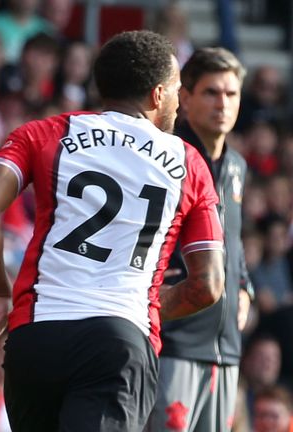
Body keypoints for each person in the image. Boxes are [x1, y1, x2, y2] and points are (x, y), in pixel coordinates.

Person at [0, 30, 226, 431]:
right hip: (118, 340)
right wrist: (148, 306)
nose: (179, 102)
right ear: (157, 95)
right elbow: (208, 286)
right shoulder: (189, 162)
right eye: (177, 91)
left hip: (36, 338)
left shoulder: (42, 133)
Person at [147, 47, 253, 432]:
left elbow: (235, 241)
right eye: (211, 92)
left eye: (231, 93)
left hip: (225, 346)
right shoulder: (167, 157)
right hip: (172, 338)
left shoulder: (239, 165)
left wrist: (244, 286)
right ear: (185, 96)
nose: (222, 103)